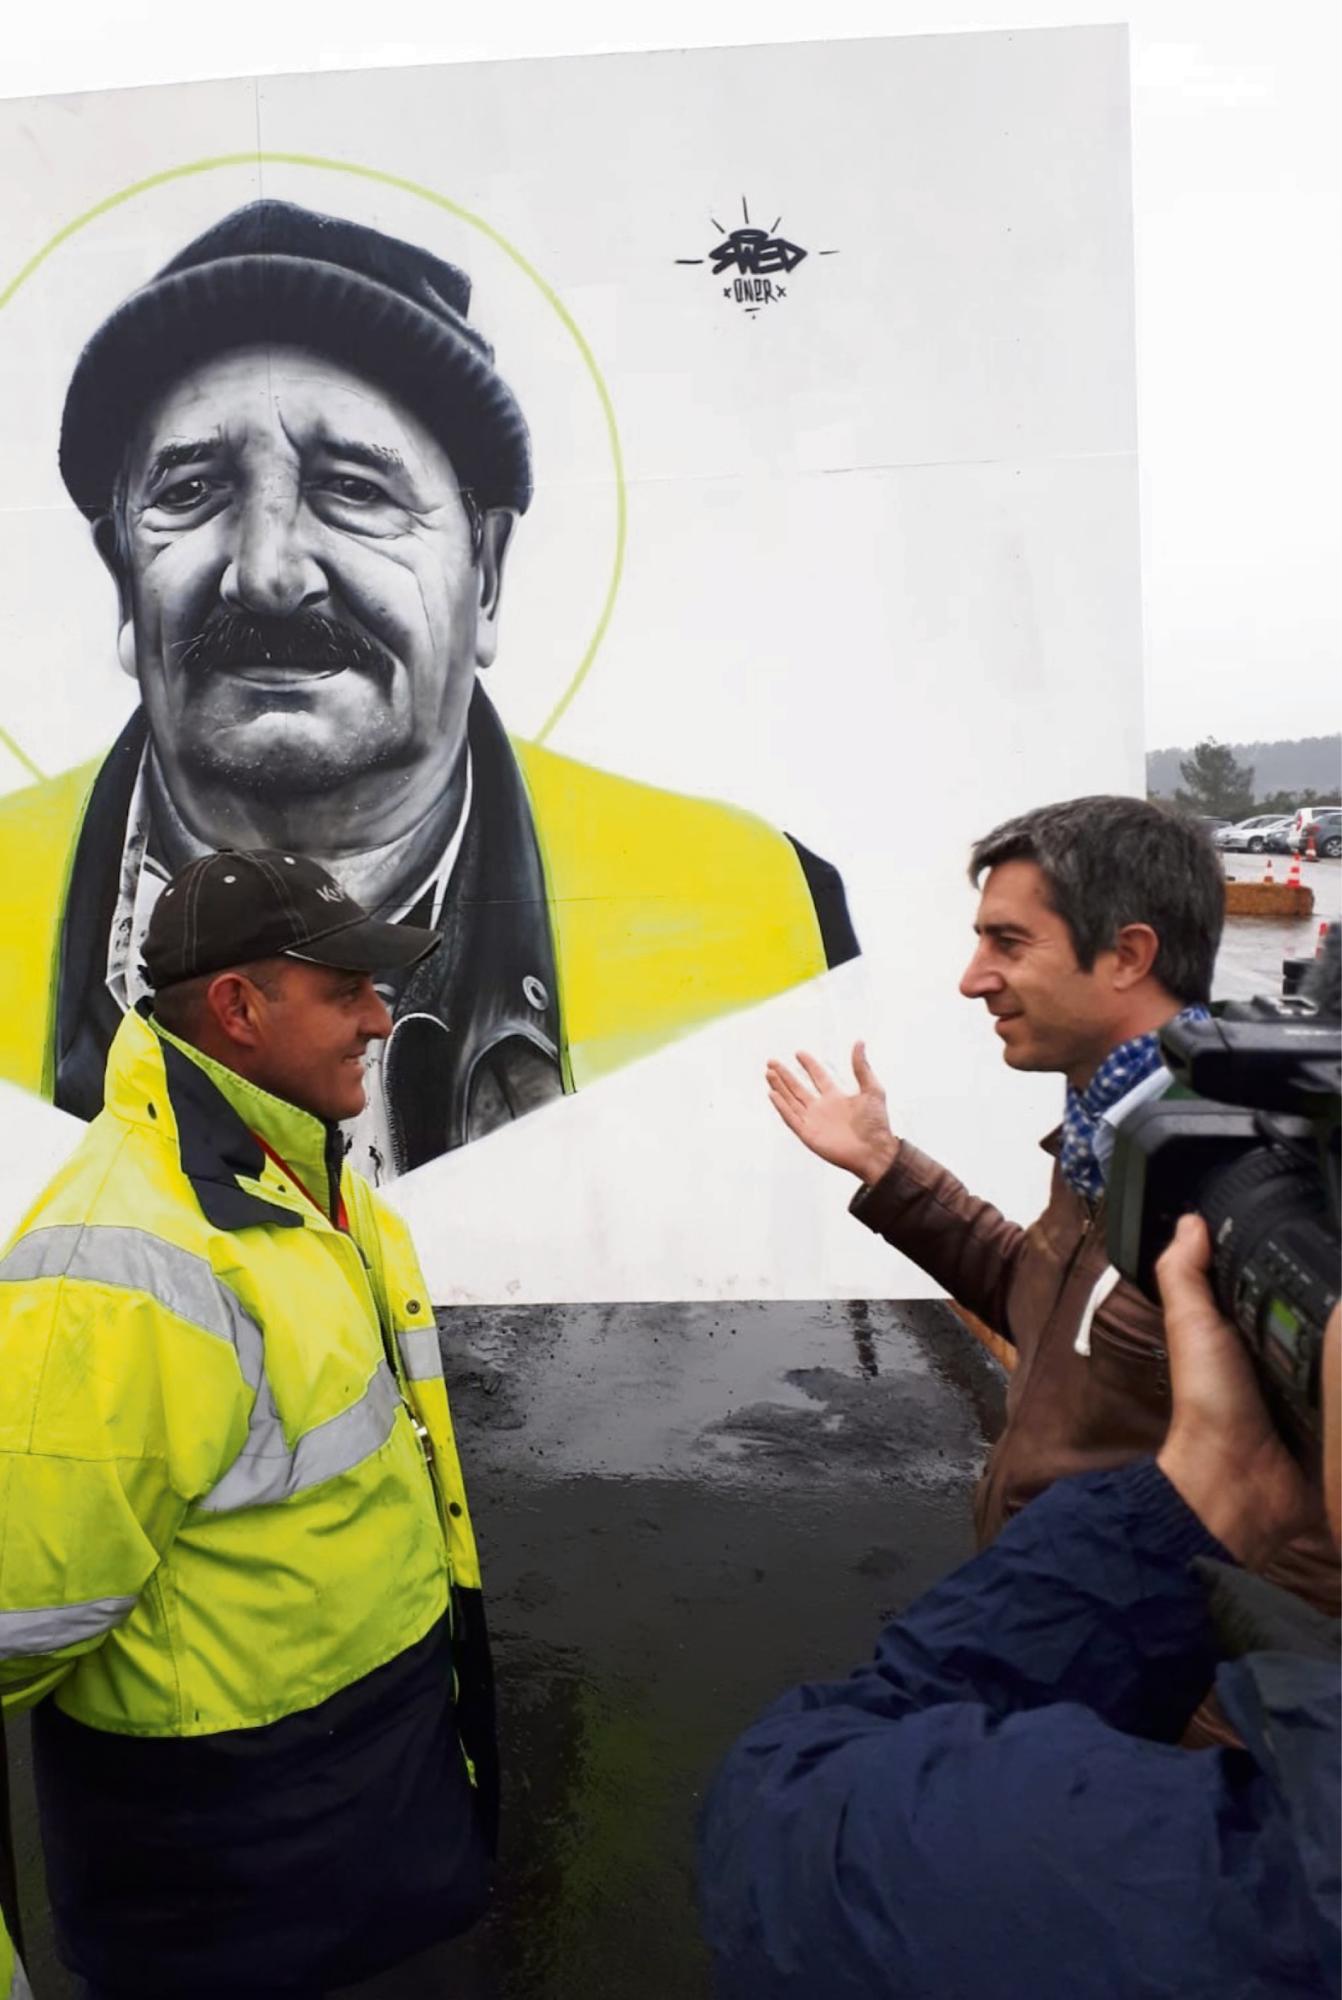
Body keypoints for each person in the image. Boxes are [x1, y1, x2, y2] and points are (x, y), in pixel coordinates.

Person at [0, 199, 857, 1179]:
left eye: (354, 488)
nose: (268, 572)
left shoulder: (762, 904)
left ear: (484, 573)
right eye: (191, 491)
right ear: (122, 575)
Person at [0, 848, 496, 1998]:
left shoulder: (302, 1176)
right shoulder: (112, 1275)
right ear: (237, 1008)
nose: (380, 1019)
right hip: (230, 1898)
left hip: (351, 1831)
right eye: (346, 991)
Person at [698, 1221, 1342, 1998]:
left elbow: (790, 1826)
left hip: (1200, 1660)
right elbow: (1030, 1297)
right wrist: (900, 1183)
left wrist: (1183, 1512)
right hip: (1157, 1627)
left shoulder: (1259, 1895)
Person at [765, 794, 1337, 1627]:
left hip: (1118, 1683)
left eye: (1008, 942)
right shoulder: (1108, 1135)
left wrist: (1160, 1696)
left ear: (1128, 955)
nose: (972, 979)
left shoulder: (1256, 1195)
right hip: (1048, 1637)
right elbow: (1039, 1300)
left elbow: (1313, 1559)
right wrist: (887, 1167)